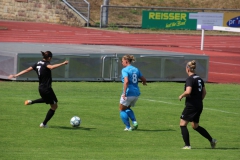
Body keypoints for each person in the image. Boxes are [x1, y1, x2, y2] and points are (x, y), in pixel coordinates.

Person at [8, 51, 68, 128]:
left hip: (41, 88)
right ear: (49, 58)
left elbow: (27, 70)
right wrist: (63, 63)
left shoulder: (37, 63)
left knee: (47, 99)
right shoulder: (46, 64)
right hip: (47, 88)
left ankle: (31, 102)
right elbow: (51, 67)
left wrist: (16, 75)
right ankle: (43, 124)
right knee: (54, 106)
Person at [178, 60, 217, 149]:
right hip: (199, 105)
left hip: (191, 105)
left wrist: (181, 95)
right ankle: (212, 140)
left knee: (182, 124)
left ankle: (187, 145)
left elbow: (188, 91)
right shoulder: (199, 78)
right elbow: (204, 92)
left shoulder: (190, 79)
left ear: (188, 69)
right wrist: (199, 101)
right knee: (195, 126)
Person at [119, 54, 147, 131]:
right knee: (127, 108)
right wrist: (144, 83)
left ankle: (128, 127)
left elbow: (126, 81)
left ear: (126, 61)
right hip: (136, 93)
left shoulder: (125, 70)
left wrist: (124, 93)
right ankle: (134, 122)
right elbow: (144, 79)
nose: (122, 63)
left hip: (129, 93)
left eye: (122, 61)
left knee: (121, 109)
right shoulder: (136, 69)